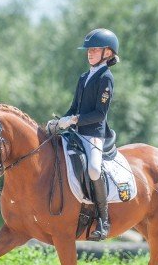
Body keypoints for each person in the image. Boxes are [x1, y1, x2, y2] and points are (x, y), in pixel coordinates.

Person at [48, 28, 119, 240]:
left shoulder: (106, 78)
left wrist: (76, 120)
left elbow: (99, 113)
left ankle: (103, 220)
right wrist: (61, 121)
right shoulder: (83, 77)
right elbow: (74, 107)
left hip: (94, 134)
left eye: (95, 50)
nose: (89, 53)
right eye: (88, 50)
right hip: (76, 132)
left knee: (95, 170)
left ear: (107, 53)